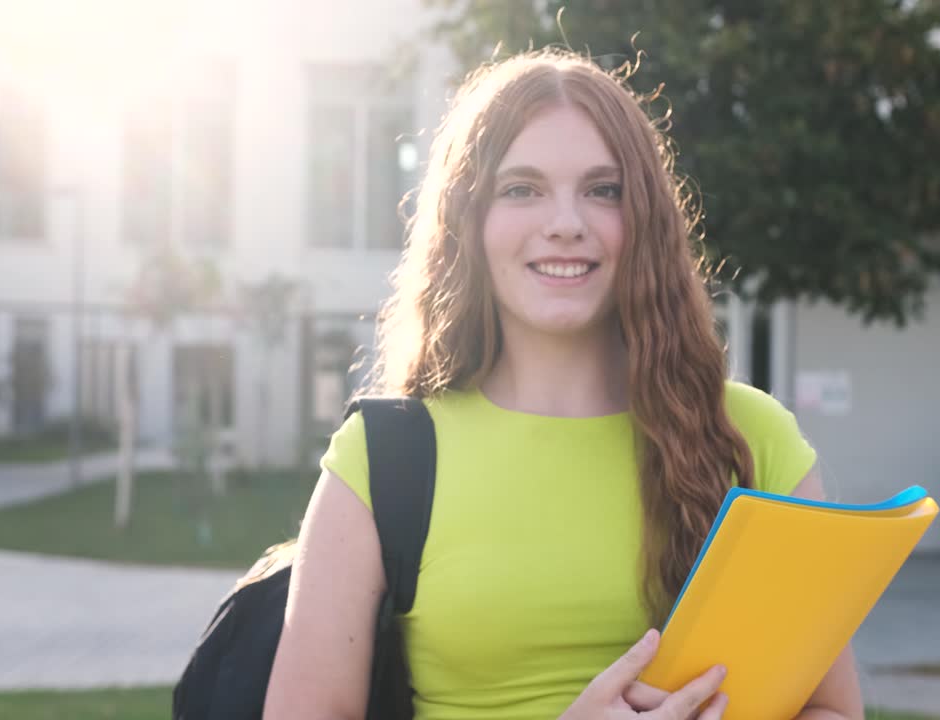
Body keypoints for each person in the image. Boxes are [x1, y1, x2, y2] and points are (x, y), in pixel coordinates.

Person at [264, 49, 864, 720]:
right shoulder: (383, 459)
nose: (565, 223)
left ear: (646, 221)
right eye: (521, 188)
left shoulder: (752, 438)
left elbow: (833, 710)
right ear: (470, 221)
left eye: (603, 190)